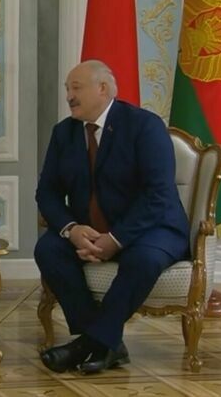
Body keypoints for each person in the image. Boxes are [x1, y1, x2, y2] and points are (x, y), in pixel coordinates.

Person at [34, 60, 188, 375]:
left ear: (102, 88)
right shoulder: (63, 133)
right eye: (67, 89)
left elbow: (157, 195)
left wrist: (116, 239)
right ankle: (107, 343)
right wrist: (71, 229)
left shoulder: (144, 126)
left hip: (152, 228)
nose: (69, 96)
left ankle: (86, 345)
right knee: (47, 249)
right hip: (90, 231)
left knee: (142, 260)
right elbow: (47, 193)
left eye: (76, 88)